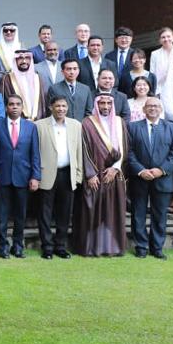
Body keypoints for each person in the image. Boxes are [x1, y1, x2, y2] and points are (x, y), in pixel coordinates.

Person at [73, 93, 129, 257]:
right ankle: (92, 248)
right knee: (93, 212)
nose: (105, 106)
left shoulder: (119, 122)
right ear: (96, 105)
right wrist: (90, 174)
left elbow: (125, 147)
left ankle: (113, 247)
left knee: (113, 212)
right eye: (102, 103)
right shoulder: (87, 123)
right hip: (95, 176)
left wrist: (115, 168)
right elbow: (83, 149)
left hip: (114, 176)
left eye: (108, 103)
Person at [126, 97, 173, 260]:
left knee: (160, 215)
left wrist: (161, 170)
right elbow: (129, 152)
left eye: (156, 106)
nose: (152, 108)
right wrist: (140, 170)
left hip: (162, 179)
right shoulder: (132, 127)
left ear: (161, 109)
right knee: (138, 214)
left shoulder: (171, 127)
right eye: (149, 106)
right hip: (139, 179)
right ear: (144, 109)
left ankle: (157, 248)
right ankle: (141, 247)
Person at [34, 96, 83, 259]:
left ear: (67, 108)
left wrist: (78, 175)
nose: (61, 109)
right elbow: (35, 153)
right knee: (44, 213)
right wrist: (35, 175)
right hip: (46, 174)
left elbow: (79, 151)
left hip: (67, 174)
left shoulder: (76, 125)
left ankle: (60, 246)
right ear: (51, 108)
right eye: (57, 106)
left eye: (64, 106)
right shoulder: (39, 126)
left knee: (65, 213)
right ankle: (47, 247)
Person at [0, 95, 41, 258]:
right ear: (6, 107)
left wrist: (35, 176)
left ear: (22, 107)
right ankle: (3, 246)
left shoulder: (30, 127)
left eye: (18, 104)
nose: (14, 107)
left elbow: (35, 154)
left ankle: (18, 246)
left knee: (20, 215)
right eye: (11, 104)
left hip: (23, 176)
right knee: (2, 215)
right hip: (3, 176)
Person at [0, 50, 45, 121]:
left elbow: (42, 101)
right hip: (16, 122)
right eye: (20, 58)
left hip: (38, 121)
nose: (24, 61)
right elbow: (3, 102)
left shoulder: (37, 77)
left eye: (27, 58)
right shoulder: (7, 78)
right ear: (15, 60)